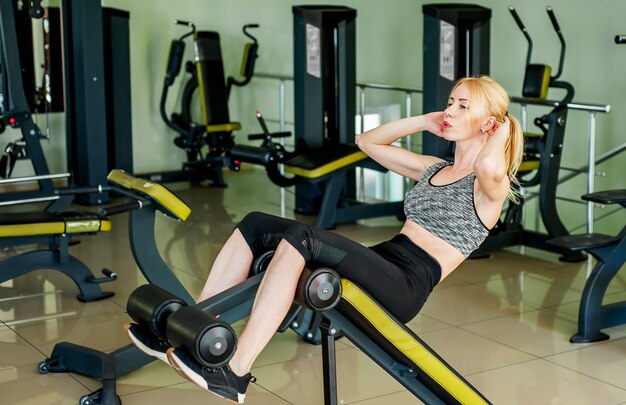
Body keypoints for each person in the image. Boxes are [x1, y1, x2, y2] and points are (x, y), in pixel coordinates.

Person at [125, 75, 524, 403]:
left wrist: (503, 126)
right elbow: (368, 142)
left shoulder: (490, 187)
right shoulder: (434, 168)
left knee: (304, 237)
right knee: (255, 223)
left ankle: (236, 372)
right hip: (383, 261)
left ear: (489, 124)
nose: (450, 111)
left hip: (406, 285)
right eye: (450, 102)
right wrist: (424, 120)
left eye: (462, 106)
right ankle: (198, 329)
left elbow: (489, 162)